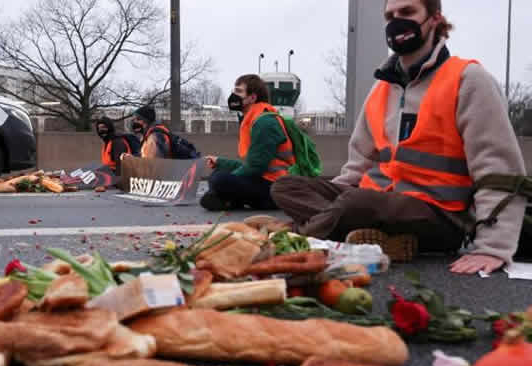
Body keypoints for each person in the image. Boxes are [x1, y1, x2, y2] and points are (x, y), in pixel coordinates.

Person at [270, 0, 526, 275]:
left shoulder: (467, 79)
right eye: (390, 16)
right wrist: (334, 199)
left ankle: (295, 237)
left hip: (440, 213)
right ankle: (372, 237)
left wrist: (493, 247)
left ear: (435, 19)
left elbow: (498, 167)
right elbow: (358, 165)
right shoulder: (381, 89)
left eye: (407, 12)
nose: (396, 22)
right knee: (285, 186)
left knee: (354, 204)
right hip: (376, 200)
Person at [200, 74, 295, 211]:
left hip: (276, 187)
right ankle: (230, 200)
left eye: (238, 91)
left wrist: (229, 178)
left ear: (252, 98)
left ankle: (229, 199)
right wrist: (220, 162)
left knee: (219, 180)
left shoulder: (265, 123)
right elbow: (250, 164)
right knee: (218, 174)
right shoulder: (253, 119)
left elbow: (255, 167)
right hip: (264, 179)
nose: (233, 95)